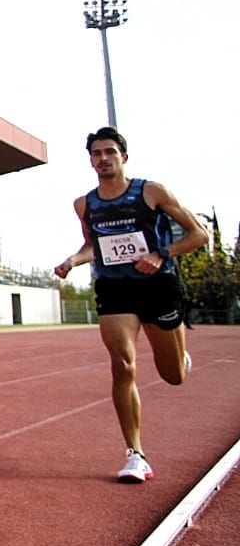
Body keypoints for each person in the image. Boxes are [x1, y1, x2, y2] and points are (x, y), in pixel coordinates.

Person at [52, 126, 205, 483]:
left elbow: (199, 234)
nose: (102, 159)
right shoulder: (85, 203)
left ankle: (178, 356)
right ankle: (135, 454)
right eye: (96, 154)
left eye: (109, 152)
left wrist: (160, 254)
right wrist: (73, 260)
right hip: (114, 288)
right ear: (90, 161)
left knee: (173, 376)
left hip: (157, 285)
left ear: (123, 156)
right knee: (123, 365)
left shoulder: (151, 192)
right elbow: (94, 245)